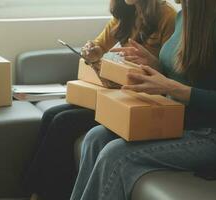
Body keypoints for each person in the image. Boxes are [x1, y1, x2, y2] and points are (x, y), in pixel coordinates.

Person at [70, 0, 216, 199]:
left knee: (115, 154)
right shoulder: (184, 16)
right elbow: (180, 74)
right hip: (175, 124)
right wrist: (154, 64)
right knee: (95, 138)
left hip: (210, 136)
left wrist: (169, 86)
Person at [23, 1, 176, 200]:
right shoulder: (125, 13)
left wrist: (154, 64)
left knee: (63, 122)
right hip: (120, 92)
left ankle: (49, 194)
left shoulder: (168, 17)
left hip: (144, 101)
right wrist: (91, 52)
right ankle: (32, 192)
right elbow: (98, 46)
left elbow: (172, 74)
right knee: (52, 114)